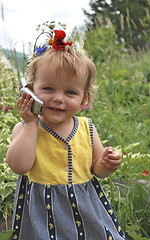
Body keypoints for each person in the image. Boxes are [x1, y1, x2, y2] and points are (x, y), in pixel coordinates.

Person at [6, 30, 126, 240]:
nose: (58, 98)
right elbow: (19, 166)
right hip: (42, 212)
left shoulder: (87, 128)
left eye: (70, 92)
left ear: (83, 99)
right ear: (31, 90)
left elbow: (96, 168)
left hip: (84, 208)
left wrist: (106, 164)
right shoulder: (25, 128)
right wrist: (32, 123)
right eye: (48, 88)